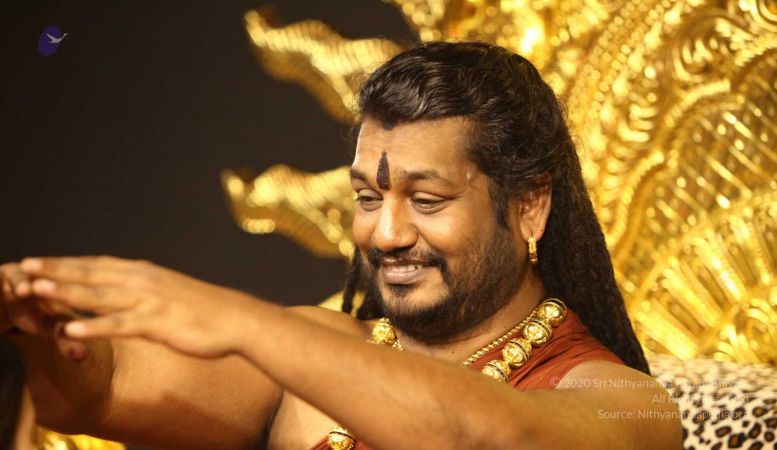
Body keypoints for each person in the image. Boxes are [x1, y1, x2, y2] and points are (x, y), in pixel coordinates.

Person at [0, 41, 681, 449]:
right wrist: (41, 334)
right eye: (367, 197)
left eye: (427, 200)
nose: (386, 235)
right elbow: (100, 388)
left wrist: (246, 323)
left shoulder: (630, 405)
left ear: (529, 206)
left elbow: (484, 438)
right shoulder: (314, 356)